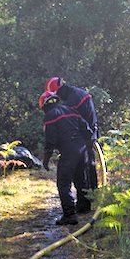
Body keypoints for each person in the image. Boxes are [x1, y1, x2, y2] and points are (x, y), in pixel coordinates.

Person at [39, 91, 94, 225]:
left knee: (63, 183)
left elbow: (50, 141)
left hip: (69, 151)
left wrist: (45, 161)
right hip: (82, 150)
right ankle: (84, 207)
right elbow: (87, 129)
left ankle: (69, 215)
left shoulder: (50, 116)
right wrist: (88, 144)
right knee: (81, 179)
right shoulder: (72, 110)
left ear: (44, 105)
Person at [45, 76, 99, 189]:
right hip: (90, 133)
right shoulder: (76, 93)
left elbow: (72, 122)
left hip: (85, 137)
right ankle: (91, 195)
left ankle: (90, 196)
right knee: (88, 166)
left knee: (84, 170)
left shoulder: (72, 101)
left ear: (59, 90)